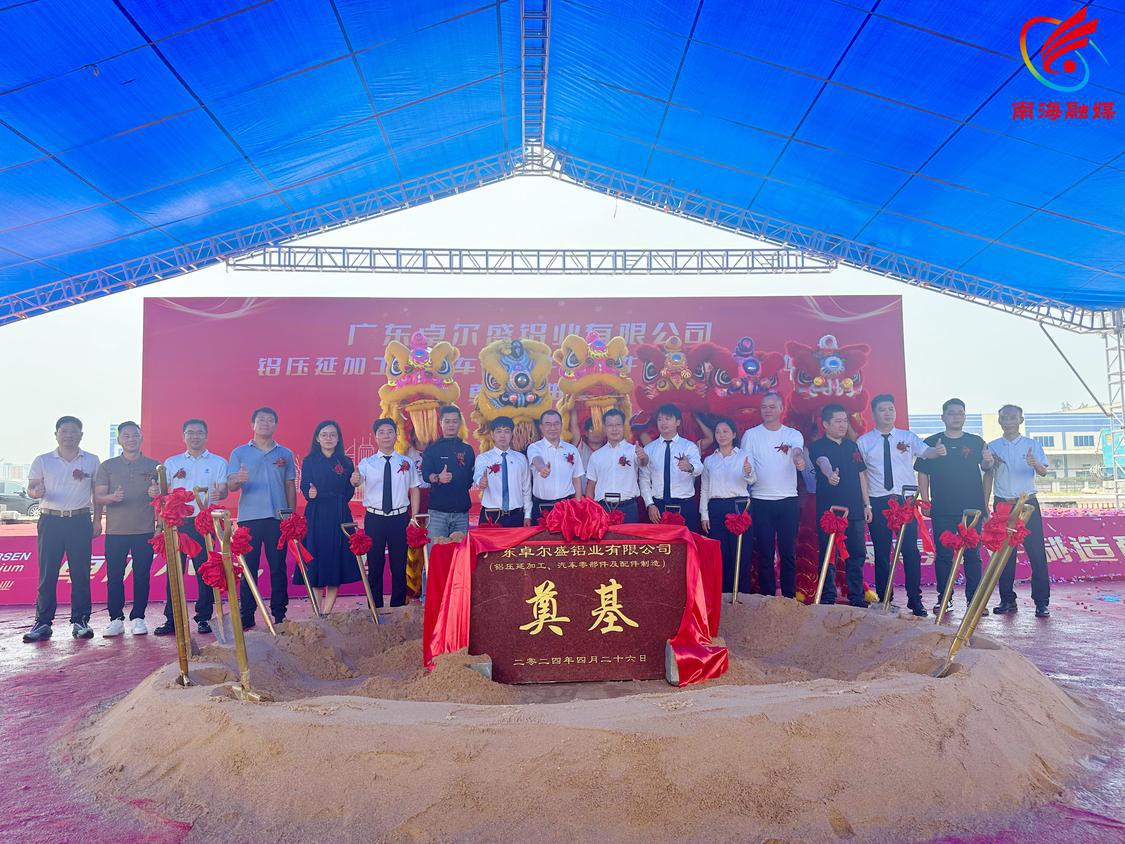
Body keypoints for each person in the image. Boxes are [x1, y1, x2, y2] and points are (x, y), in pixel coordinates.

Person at [857, 393, 942, 617]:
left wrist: (937, 451)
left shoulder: (907, 437)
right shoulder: (864, 441)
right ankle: (885, 598)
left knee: (910, 551)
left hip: (905, 501)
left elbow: (927, 452)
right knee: (882, 552)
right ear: (874, 413)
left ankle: (915, 600)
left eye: (891, 409)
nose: (888, 413)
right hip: (878, 500)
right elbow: (861, 474)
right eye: (883, 409)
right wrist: (866, 505)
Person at [22, 416, 102, 642]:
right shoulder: (43, 460)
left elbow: (97, 494)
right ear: (56, 434)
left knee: (80, 573)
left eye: (74, 431)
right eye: (64, 431)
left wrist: (97, 521)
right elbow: (32, 488)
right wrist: (35, 492)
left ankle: (80, 621)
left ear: (81, 435)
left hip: (80, 520)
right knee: (47, 573)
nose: (69, 435)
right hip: (51, 521)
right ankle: (43, 623)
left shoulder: (92, 460)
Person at [915, 399, 995, 616]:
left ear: (965, 416)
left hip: (972, 510)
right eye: (951, 413)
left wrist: (988, 461)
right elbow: (922, 472)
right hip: (942, 508)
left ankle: (974, 601)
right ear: (943, 417)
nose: (956, 417)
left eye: (960, 413)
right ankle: (945, 599)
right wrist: (925, 500)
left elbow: (987, 468)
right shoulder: (932, 442)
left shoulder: (976, 441)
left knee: (973, 555)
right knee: (943, 556)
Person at [156, 418, 227, 636]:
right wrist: (160, 522)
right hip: (177, 523)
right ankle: (173, 619)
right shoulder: (172, 463)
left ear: (206, 436)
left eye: (199, 432)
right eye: (190, 432)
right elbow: (163, 493)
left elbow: (223, 490)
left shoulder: (218, 462)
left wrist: (220, 493)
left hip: (203, 522)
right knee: (174, 572)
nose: (195, 436)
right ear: (183, 436)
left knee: (205, 571)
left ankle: (204, 618)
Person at [228, 407, 296, 629]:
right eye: (261, 420)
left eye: (270, 420)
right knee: (249, 568)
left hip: (278, 518)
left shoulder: (285, 453)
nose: (265, 423)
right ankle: (247, 614)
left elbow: (289, 485)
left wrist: (291, 515)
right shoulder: (239, 453)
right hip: (249, 519)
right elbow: (231, 486)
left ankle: (279, 614)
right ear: (252, 425)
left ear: (275, 425)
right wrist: (239, 479)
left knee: (278, 567)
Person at [983, 404, 1051, 617]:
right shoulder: (993, 446)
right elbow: (987, 474)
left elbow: (1044, 472)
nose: (1009, 422)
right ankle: (1007, 600)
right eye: (1004, 418)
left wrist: (1034, 463)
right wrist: (984, 504)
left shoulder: (1032, 445)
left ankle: (1041, 602)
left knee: (1036, 553)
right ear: (999, 421)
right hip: (1003, 504)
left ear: (1021, 420)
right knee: (1004, 555)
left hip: (1028, 505)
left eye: (1013, 418)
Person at [93, 421, 160, 637]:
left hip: (144, 530)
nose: (131, 439)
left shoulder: (154, 466)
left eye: (135, 435)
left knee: (142, 575)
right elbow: (98, 497)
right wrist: (112, 498)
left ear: (141, 438)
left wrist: (156, 494)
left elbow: (163, 498)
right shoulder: (108, 466)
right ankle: (116, 619)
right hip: (116, 531)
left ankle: (138, 617)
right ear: (119, 440)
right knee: (114, 576)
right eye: (126, 436)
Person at [740, 392, 806, 598]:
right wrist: (747, 471)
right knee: (765, 553)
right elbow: (746, 466)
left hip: (788, 500)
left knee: (788, 553)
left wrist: (798, 458)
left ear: (780, 409)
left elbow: (797, 450)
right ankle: (767, 598)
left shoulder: (793, 434)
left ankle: (788, 598)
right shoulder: (751, 435)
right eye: (764, 407)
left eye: (771, 406)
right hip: (761, 500)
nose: (767, 411)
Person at [808, 404, 870, 607]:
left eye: (845, 421)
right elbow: (822, 462)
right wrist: (830, 475)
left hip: (855, 510)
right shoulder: (817, 446)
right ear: (826, 424)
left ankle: (857, 596)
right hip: (830, 513)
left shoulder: (852, 446)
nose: (843, 425)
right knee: (829, 554)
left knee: (857, 555)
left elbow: (861, 475)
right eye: (838, 421)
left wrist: (867, 505)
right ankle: (827, 596)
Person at [355, 418, 420, 607]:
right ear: (375, 437)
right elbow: (357, 481)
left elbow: (414, 489)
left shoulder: (406, 462)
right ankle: (375, 608)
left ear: (396, 435)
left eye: (390, 432)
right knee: (375, 565)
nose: (386, 436)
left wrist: (414, 517)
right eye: (381, 432)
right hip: (375, 518)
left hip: (399, 518)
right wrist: (355, 479)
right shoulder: (367, 463)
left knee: (399, 565)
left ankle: (398, 606)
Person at [299, 420, 359, 614]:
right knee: (315, 561)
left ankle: (327, 612)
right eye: (324, 435)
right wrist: (309, 493)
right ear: (317, 438)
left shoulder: (346, 462)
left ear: (338, 438)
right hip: (316, 514)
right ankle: (317, 612)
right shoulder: (310, 461)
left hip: (339, 514)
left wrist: (353, 483)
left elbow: (348, 493)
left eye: (333, 435)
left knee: (335, 561)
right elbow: (305, 485)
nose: (328, 438)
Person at [700, 416, 755, 594]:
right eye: (718, 432)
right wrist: (704, 514)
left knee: (741, 553)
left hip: (739, 506)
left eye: (725, 431)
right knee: (721, 554)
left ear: (733, 434)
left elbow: (752, 479)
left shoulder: (744, 456)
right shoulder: (709, 460)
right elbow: (705, 489)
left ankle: (741, 596)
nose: (721, 435)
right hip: (716, 508)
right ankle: (722, 596)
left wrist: (748, 472)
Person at [641, 403, 704, 532]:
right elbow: (644, 479)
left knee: (687, 543)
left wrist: (690, 467)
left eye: (668, 418)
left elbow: (699, 468)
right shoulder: (649, 449)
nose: (663, 423)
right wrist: (649, 504)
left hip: (685, 505)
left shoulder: (688, 446)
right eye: (660, 419)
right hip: (659, 507)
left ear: (678, 422)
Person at [421, 405, 475, 544]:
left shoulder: (467, 450)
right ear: (441, 423)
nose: (451, 425)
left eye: (454, 421)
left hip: (461, 513)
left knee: (461, 555)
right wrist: (438, 478)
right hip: (437, 513)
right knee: (436, 553)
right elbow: (426, 475)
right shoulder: (432, 449)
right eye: (447, 421)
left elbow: (470, 480)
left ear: (460, 423)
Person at [584, 408, 649, 523]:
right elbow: (591, 485)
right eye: (610, 425)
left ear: (623, 427)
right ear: (604, 428)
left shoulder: (633, 450)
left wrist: (643, 456)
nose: (614, 429)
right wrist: (590, 509)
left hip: (628, 508)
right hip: (603, 508)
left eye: (618, 425)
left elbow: (643, 462)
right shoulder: (596, 455)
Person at [526, 409, 584, 522]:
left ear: (561, 425)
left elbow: (576, 479)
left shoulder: (571, 449)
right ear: (541, 427)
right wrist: (542, 468)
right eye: (548, 424)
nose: (552, 428)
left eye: (556, 424)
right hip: (542, 506)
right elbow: (536, 459)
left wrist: (578, 506)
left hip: (566, 505)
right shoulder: (534, 447)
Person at [474, 416, 533, 527]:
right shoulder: (484, 458)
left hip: (516, 515)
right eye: (498, 431)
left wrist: (527, 515)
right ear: (492, 434)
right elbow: (478, 474)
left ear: (512, 434)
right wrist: (480, 481)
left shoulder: (520, 459)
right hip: (491, 515)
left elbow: (526, 489)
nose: (502, 435)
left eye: (506, 431)